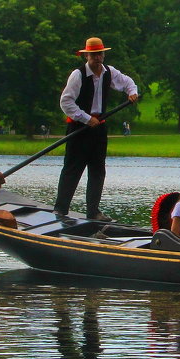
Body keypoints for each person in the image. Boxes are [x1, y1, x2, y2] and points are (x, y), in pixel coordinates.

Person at [52, 36, 139, 221]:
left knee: (98, 170)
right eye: (94, 55)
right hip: (78, 128)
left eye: (100, 54)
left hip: (99, 127)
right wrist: (85, 118)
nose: (98, 58)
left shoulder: (109, 72)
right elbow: (65, 102)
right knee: (72, 168)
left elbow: (128, 82)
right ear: (87, 56)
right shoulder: (78, 75)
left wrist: (132, 92)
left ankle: (93, 212)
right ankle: (60, 209)